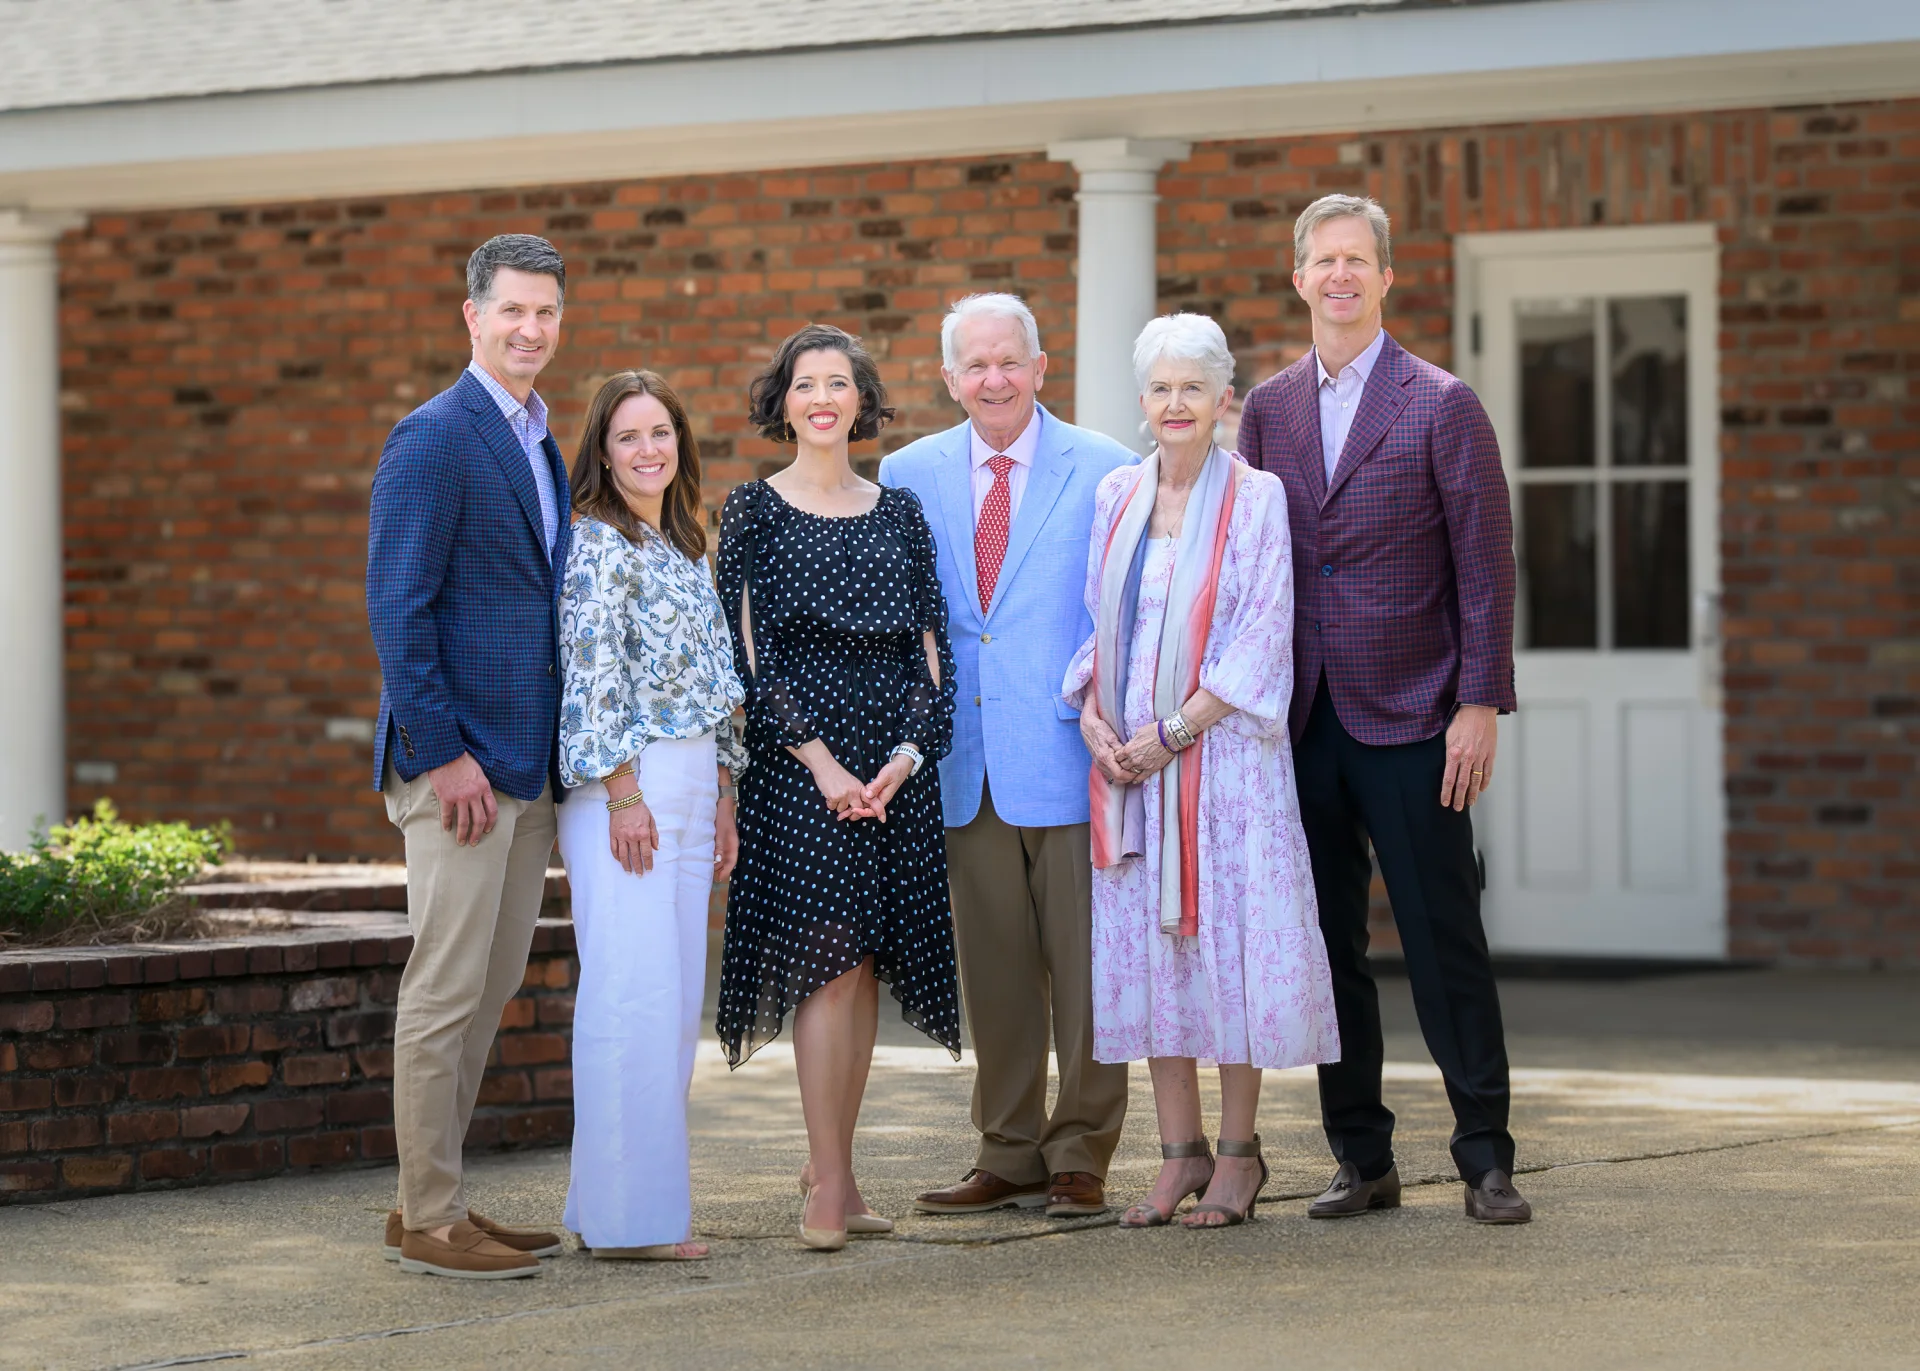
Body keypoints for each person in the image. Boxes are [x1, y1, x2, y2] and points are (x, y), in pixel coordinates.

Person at [1238, 193, 1530, 1224]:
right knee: (1325, 946)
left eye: (1358, 259)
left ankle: (1486, 1155)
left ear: (1386, 277)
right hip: (1303, 723)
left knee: (1443, 937)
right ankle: (1361, 1158)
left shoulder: (1441, 403)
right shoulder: (1268, 410)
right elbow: (1254, 562)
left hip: (1417, 719)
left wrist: (1480, 701)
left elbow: (1486, 567)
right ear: (1300, 277)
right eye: (1324, 261)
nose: (1341, 276)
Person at [1063, 313, 1341, 1229]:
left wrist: (1173, 731)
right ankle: (1176, 1152)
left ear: (1225, 398)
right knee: (1153, 956)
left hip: (1222, 769)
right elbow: (1101, 626)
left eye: (1194, 386)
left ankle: (1237, 1156)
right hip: (1132, 769)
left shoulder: (1258, 497)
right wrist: (1095, 715)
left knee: (1221, 954)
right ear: (1141, 403)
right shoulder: (1114, 494)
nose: (1175, 403)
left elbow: (1263, 632)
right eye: (1160, 387)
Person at [880, 294, 1135, 1220]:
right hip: (962, 762)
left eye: (1009, 362)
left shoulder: (1106, 466)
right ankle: (1008, 1149)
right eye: (974, 366)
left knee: (1088, 971)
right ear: (949, 379)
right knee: (994, 972)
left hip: (1073, 757)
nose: (994, 379)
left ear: (1039, 367)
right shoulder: (904, 474)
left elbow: (1125, 615)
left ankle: (1082, 1150)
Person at [714, 323, 961, 1252]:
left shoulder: (898, 513)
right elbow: (747, 656)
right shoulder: (754, 511)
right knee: (825, 962)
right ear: (783, 402)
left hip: (891, 770)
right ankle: (825, 1183)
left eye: (840, 382)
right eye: (805, 383)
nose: (823, 397)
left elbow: (931, 654)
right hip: (798, 768)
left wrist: (902, 759)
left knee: (860, 970)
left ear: (863, 398)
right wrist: (819, 761)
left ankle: (840, 1171)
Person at [366, 234, 572, 1278]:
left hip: (524, 769)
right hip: (457, 772)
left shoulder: (540, 439)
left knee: (487, 997)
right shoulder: (433, 437)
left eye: (546, 313)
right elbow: (398, 610)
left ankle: (431, 1204)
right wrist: (442, 756)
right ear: (472, 317)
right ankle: (431, 1215)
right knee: (444, 991)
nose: (529, 330)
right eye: (512, 312)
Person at [555, 371, 747, 1262]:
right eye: (628, 437)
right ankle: (630, 1225)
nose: (647, 451)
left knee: (669, 1008)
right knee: (629, 999)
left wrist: (723, 795)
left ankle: (621, 1211)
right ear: (601, 449)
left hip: (688, 785)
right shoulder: (597, 542)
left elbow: (712, 685)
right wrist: (624, 793)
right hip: (622, 791)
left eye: (660, 433)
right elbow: (593, 676)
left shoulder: (679, 541)